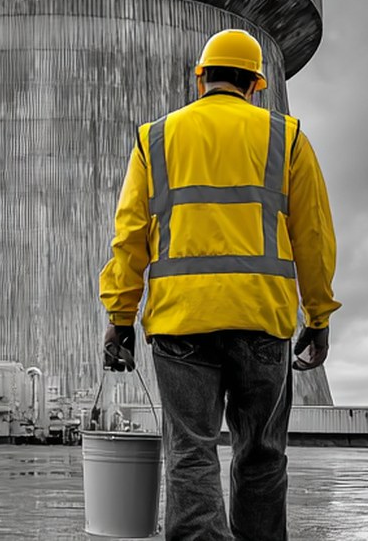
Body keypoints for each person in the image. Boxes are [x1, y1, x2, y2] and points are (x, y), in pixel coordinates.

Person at [98, 28, 340, 541]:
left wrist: (120, 318)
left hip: (181, 324)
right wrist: (317, 317)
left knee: (190, 453)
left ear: (201, 77)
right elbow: (313, 235)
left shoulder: (155, 138)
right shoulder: (287, 136)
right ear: (256, 84)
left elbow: (130, 237)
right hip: (262, 321)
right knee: (262, 454)